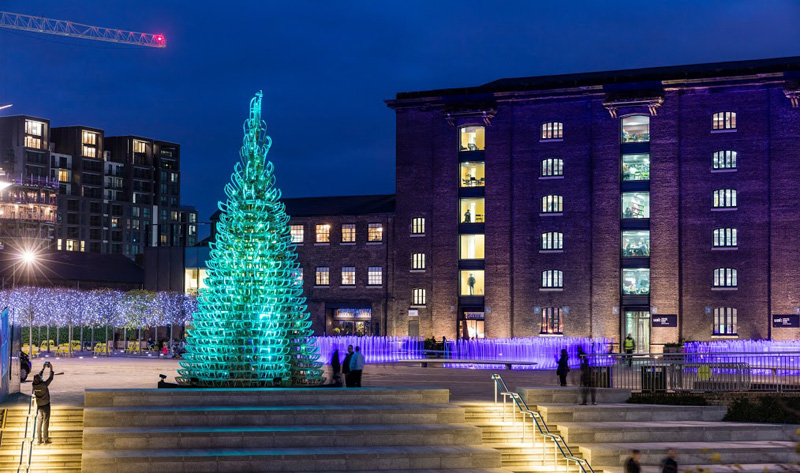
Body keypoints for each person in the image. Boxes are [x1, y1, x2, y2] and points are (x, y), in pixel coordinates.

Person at [32, 361, 55, 445]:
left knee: (39, 422)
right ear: (40, 380)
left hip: (39, 406)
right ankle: (45, 439)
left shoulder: (34, 385)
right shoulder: (44, 385)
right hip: (46, 405)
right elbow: (50, 378)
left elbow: (38, 377)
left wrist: (43, 369)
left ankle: (39, 439)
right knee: (46, 422)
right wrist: (51, 368)